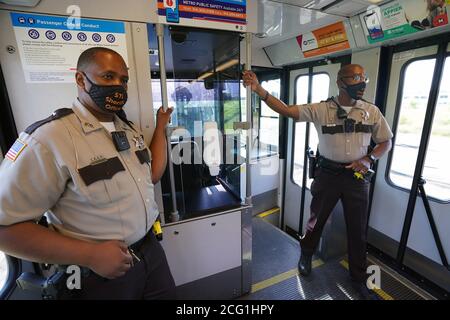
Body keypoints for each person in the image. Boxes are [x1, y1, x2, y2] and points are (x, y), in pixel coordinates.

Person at [0, 47, 176, 300]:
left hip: (151, 254)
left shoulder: (127, 130)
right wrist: (89, 255)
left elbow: (152, 176)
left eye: (123, 80)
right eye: (108, 76)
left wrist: (160, 128)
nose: (118, 86)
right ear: (81, 79)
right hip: (98, 275)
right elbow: (5, 227)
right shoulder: (49, 139)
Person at [243, 64, 393, 299]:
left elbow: (386, 141)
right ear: (341, 82)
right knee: (316, 221)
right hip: (328, 174)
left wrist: (369, 158)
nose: (362, 84)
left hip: (356, 177)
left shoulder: (371, 111)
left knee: (358, 229)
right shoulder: (321, 109)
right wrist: (258, 90)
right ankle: (306, 254)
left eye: (364, 78)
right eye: (356, 79)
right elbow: (286, 110)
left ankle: (358, 276)